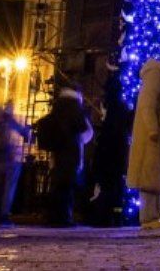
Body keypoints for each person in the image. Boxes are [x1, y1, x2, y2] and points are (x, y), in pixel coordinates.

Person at [127, 48, 160, 230]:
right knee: (149, 174)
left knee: (156, 174)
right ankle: (149, 217)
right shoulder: (155, 74)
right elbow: (147, 104)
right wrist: (152, 129)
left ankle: (157, 215)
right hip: (151, 135)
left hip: (156, 133)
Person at [35, 86, 94, 227]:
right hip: (72, 152)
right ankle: (64, 217)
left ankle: (54, 216)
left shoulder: (58, 107)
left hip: (58, 152)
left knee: (57, 186)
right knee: (67, 187)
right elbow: (85, 130)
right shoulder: (76, 109)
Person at [88, 66, 134, 227]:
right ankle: (113, 217)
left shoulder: (108, 105)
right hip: (116, 151)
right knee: (114, 186)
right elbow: (127, 125)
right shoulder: (120, 107)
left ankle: (103, 215)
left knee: (106, 185)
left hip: (106, 150)